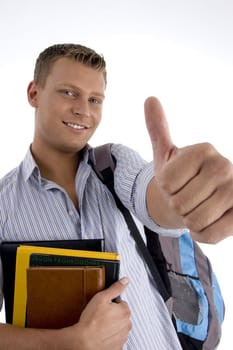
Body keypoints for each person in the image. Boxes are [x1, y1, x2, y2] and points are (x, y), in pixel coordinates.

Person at [0, 43, 232, 350]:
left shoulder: (115, 164)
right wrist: (64, 342)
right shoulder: (3, 205)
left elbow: (153, 199)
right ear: (34, 94)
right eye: (69, 92)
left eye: (94, 99)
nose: (83, 109)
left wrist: (179, 198)